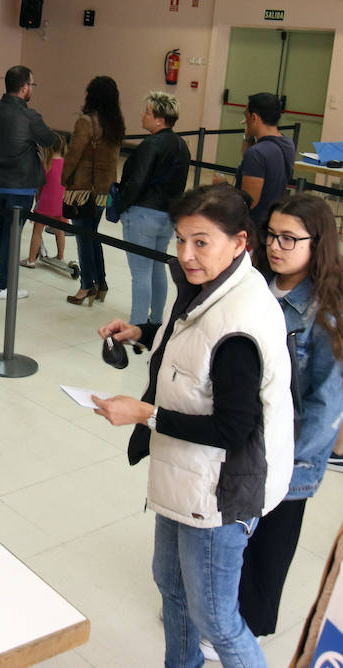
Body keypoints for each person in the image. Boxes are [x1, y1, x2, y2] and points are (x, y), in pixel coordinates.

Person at [92, 184, 294, 668]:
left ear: (240, 242)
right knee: (172, 588)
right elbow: (191, 348)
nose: (186, 254)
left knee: (217, 619)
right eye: (180, 239)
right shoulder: (211, 289)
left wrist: (144, 414)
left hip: (217, 492)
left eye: (201, 242)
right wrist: (141, 334)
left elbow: (232, 429)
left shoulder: (239, 319)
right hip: (183, 475)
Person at [232, 194, 343, 651]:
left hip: (289, 458)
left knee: (269, 549)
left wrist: (287, 461)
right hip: (244, 442)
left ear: (317, 245)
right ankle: (220, 612)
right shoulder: (254, 287)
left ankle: (246, 632)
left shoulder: (325, 312)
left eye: (289, 238)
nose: (275, 246)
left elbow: (326, 406)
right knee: (234, 536)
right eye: (271, 234)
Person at [0, 65, 60, 300]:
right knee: (11, 237)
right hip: (20, 185)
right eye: (32, 85)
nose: (32, 89)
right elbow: (50, 139)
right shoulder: (29, 116)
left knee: (1, 229)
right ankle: (2, 286)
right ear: (24, 88)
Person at [115, 91, 190, 325]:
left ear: (159, 119)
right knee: (157, 269)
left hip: (142, 214)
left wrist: (121, 205)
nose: (142, 115)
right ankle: (157, 320)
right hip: (167, 216)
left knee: (140, 273)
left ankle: (137, 324)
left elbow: (136, 181)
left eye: (147, 112)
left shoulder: (150, 145)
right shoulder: (181, 145)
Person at [62, 76, 124, 306]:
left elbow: (73, 154)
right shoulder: (115, 123)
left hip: (83, 189)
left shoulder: (86, 122)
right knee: (92, 235)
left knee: (83, 237)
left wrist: (63, 178)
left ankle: (86, 285)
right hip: (103, 190)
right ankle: (101, 283)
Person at [214, 92, 295, 234]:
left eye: (246, 117)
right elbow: (252, 161)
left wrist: (222, 186)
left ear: (254, 117)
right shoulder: (287, 143)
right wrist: (248, 135)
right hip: (272, 221)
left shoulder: (257, 153)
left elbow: (248, 201)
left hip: (253, 228)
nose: (245, 122)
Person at [22, 133, 67, 267]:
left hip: (46, 204)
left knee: (37, 231)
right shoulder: (67, 165)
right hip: (61, 205)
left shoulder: (45, 165)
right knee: (60, 230)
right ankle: (60, 256)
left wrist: (37, 202)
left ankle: (31, 260)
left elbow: (39, 187)